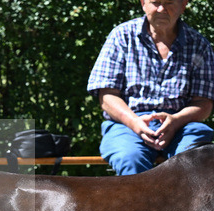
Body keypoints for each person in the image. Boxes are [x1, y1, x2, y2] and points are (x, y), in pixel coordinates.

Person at [87, 0, 214, 176]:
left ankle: (179, 204)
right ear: (143, 3)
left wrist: (175, 121)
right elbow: (107, 96)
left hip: (182, 125)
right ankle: (137, 204)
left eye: (169, 3)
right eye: (155, 2)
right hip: (127, 125)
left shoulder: (199, 45)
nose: (161, 9)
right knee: (130, 158)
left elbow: (204, 102)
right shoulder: (121, 36)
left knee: (193, 159)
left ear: (183, 5)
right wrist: (135, 122)